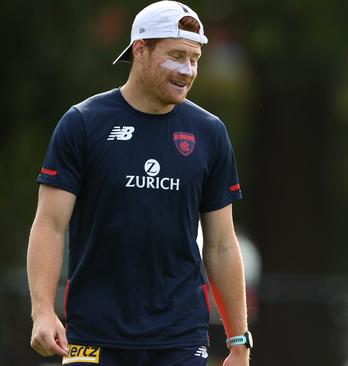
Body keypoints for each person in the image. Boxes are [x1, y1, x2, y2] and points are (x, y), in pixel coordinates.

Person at [26, 2, 252, 365]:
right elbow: (50, 226)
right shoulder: (83, 124)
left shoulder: (210, 133)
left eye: (194, 58)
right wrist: (42, 311)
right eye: (177, 55)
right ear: (140, 50)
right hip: (92, 334)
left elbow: (222, 245)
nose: (187, 70)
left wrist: (238, 339)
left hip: (180, 336)